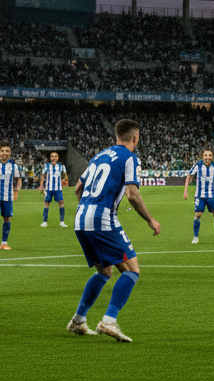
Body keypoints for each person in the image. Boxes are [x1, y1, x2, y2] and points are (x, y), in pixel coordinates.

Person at [67, 119, 161, 342]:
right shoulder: (130, 158)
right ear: (135, 138)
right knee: (132, 269)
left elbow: (78, 188)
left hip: (81, 217)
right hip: (102, 217)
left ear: (116, 136)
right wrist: (150, 220)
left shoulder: (99, 156)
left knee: (104, 271)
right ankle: (109, 321)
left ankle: (78, 321)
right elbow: (132, 194)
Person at [184, 149, 214, 243]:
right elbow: (189, 176)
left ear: (212, 157)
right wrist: (185, 191)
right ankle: (195, 237)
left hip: (211, 195)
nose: (207, 157)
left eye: (209, 155)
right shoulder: (198, 165)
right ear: (203, 157)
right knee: (198, 215)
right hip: (200, 196)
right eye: (206, 155)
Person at [40, 151, 69, 228]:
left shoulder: (61, 166)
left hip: (58, 188)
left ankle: (62, 222)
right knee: (46, 203)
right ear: (50, 158)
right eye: (52, 156)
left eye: (55, 156)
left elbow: (65, 175)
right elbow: (43, 175)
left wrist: (65, 180)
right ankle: (44, 222)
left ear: (57, 158)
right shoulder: (47, 166)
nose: (54, 158)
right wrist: (41, 186)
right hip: (48, 188)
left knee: (61, 203)